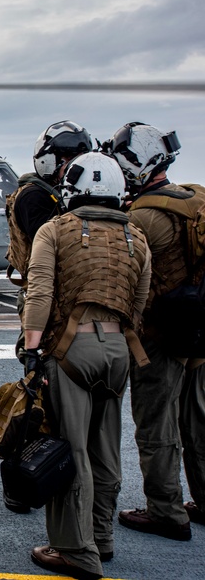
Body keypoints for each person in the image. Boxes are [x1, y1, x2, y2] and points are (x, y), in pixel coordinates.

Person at [23, 152, 151, 580]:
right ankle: (103, 536)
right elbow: (139, 301)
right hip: (119, 352)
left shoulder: (54, 230)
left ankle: (76, 550)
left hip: (71, 350)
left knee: (69, 450)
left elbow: (39, 293)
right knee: (106, 447)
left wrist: (31, 346)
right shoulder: (136, 236)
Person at [109, 122, 202, 541]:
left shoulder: (142, 216)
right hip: (197, 327)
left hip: (160, 335)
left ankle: (165, 510)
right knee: (197, 419)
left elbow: (125, 277)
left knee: (156, 424)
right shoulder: (194, 198)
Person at [3, 120, 92, 513]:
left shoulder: (60, 197)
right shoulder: (34, 198)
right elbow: (52, 251)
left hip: (69, 308)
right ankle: (20, 481)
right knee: (34, 403)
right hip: (44, 305)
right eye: (66, 159)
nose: (70, 167)